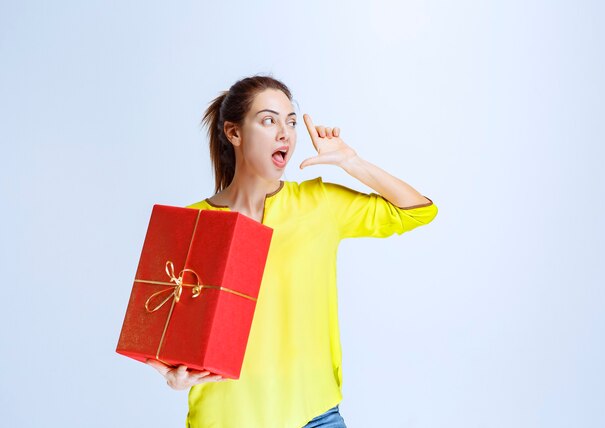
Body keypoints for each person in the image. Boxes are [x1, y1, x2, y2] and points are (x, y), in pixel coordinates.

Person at [147, 74, 438, 427]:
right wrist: (173, 375)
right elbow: (164, 337)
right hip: (224, 419)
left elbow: (418, 211)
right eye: (268, 120)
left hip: (314, 416)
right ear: (233, 133)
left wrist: (350, 162)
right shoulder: (190, 225)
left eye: (290, 121)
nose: (285, 132)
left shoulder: (319, 204)